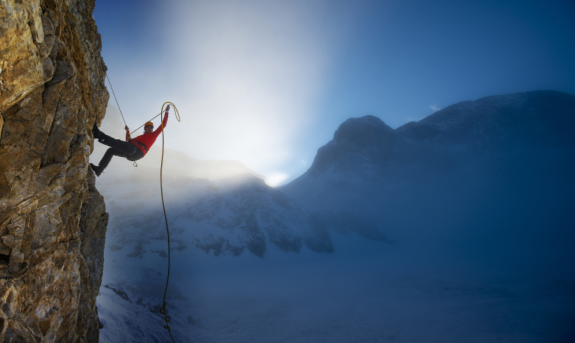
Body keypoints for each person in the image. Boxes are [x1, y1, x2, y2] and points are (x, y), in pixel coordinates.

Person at [90, 105, 170, 176]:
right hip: (133, 154)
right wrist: (127, 131)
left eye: (151, 127)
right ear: (145, 128)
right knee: (111, 150)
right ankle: (100, 169)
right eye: (148, 126)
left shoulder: (153, 135)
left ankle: (98, 135)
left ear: (153, 129)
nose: (149, 128)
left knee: (119, 144)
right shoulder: (140, 137)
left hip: (138, 151)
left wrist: (167, 111)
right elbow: (129, 141)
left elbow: (163, 125)